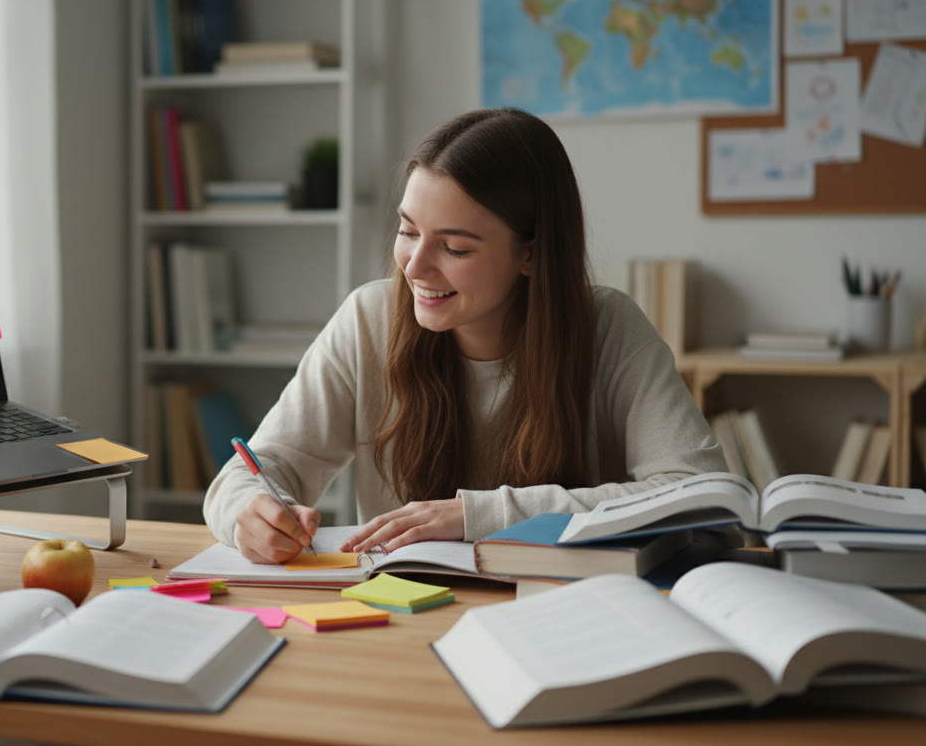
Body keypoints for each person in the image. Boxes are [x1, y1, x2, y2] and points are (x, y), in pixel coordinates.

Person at [203, 108, 726, 564]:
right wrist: (249, 513)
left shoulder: (608, 327)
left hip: (561, 613)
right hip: (399, 618)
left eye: (454, 248)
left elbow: (703, 497)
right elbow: (255, 469)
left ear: (530, 253)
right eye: (408, 232)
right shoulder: (368, 319)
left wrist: (481, 515)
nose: (415, 266)